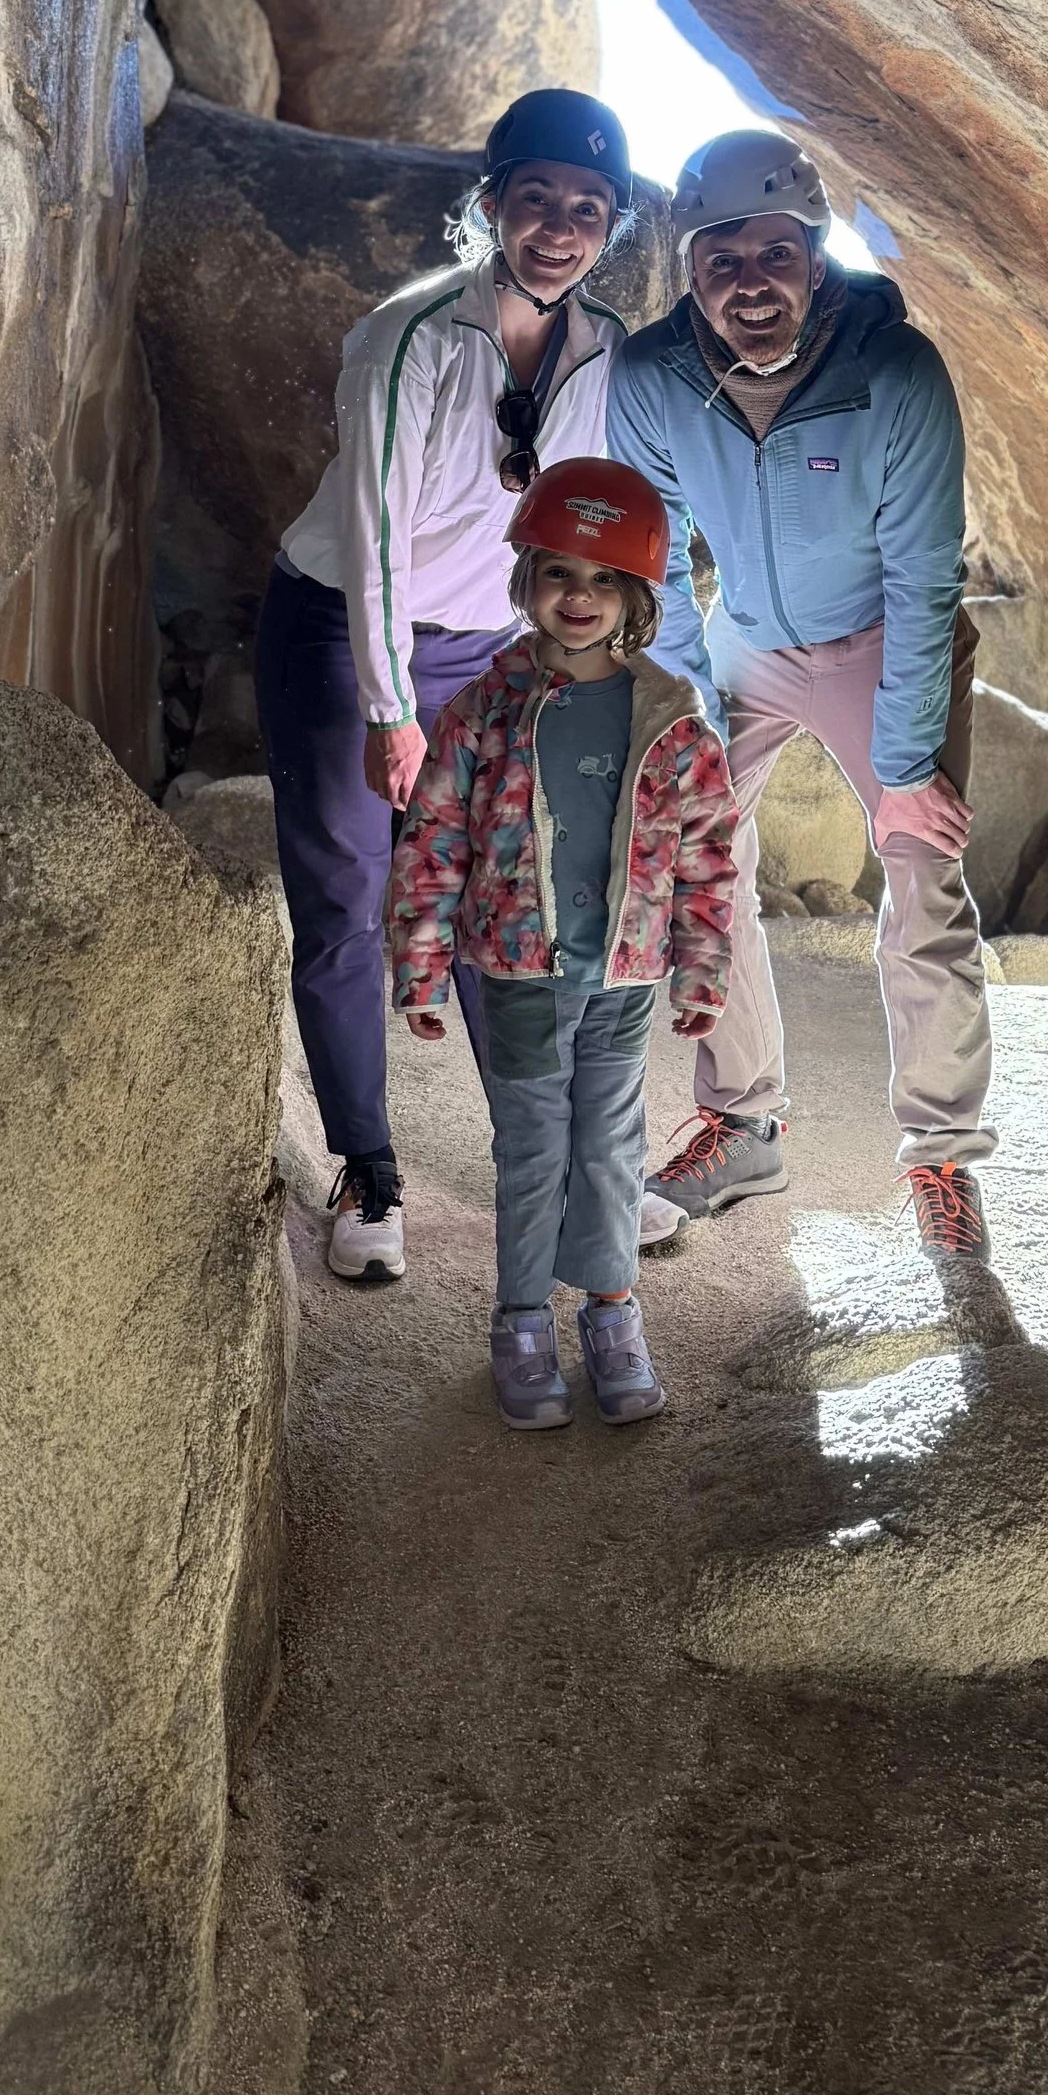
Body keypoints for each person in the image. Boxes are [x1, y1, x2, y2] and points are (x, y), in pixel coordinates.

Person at [258, 91, 633, 1287]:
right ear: (491, 206)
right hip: (343, 629)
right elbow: (375, 538)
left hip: (481, 649)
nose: (560, 227)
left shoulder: (603, 352)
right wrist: (387, 710)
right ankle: (366, 1172)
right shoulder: (408, 339)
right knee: (346, 899)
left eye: (586, 209)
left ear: (606, 228)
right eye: (537, 200)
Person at [604, 129, 996, 1257]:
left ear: (814, 257)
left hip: (886, 641)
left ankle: (939, 1157)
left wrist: (910, 769)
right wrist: (685, 712)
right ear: (689, 271)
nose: (748, 283)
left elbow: (927, 579)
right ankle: (741, 1124)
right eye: (719, 260)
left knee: (922, 886)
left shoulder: (895, 377)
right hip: (748, 645)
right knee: (689, 844)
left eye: (773, 253)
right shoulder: (651, 380)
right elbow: (654, 555)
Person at [386, 457, 736, 1430]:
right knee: (534, 1142)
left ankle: (613, 1312)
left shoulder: (670, 718)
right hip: (520, 971)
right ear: (526, 579)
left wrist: (702, 964)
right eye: (558, 575)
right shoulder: (484, 711)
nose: (577, 598)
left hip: (621, 975)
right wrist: (420, 962)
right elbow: (434, 837)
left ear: (635, 595)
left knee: (612, 1142)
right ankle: (522, 1319)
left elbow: (709, 852)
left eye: (602, 580)